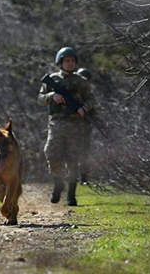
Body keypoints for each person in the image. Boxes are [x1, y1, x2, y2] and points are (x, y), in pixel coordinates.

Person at [37, 47, 95, 206]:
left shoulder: (81, 81)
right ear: (60, 62)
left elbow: (91, 99)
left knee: (73, 159)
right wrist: (52, 96)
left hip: (75, 124)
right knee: (52, 154)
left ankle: (71, 194)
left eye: (72, 61)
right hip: (56, 123)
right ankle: (58, 183)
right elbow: (40, 99)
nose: (70, 63)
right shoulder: (53, 79)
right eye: (67, 61)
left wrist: (84, 108)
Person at [75, 68, 93, 185]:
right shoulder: (73, 93)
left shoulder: (88, 95)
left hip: (85, 127)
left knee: (84, 152)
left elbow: (93, 108)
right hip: (71, 126)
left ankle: (83, 177)